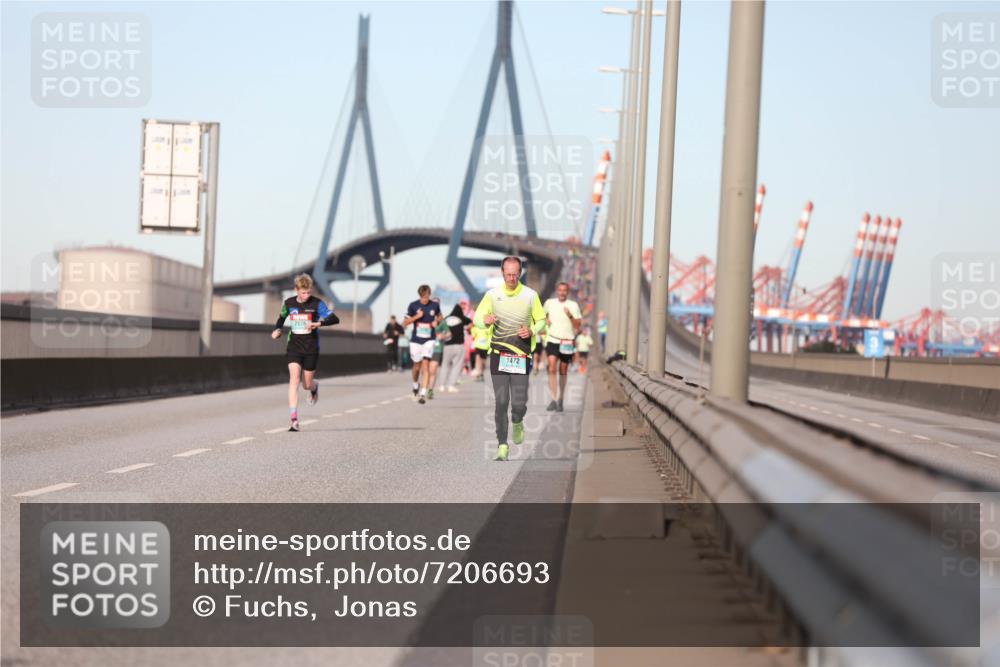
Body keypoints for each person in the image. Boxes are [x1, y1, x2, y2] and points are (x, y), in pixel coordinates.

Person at [474, 256, 546, 462]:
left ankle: (517, 420)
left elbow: (541, 320)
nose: (512, 278)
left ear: (520, 273)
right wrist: (485, 321)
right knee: (501, 401)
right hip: (498, 354)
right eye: (508, 274)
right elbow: (478, 319)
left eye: (515, 274)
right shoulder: (492, 295)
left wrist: (532, 330)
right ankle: (502, 446)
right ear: (502, 273)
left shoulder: (531, 295)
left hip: (521, 354)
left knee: (519, 403)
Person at [270, 273, 340, 431]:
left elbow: (335, 319)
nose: (306, 295)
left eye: (309, 292)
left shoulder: (317, 303)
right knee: (294, 380)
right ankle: (294, 420)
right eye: (303, 292)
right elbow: (281, 318)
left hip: (311, 348)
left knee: (306, 384)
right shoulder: (289, 303)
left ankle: (314, 387)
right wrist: (277, 330)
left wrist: (318, 323)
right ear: (296, 290)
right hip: (294, 347)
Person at [543, 281, 582, 412]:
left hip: (567, 341)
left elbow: (577, 325)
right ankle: (553, 399)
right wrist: (545, 320)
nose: (562, 292)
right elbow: (540, 316)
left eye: (564, 290)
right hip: (552, 339)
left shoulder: (573, 305)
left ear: (567, 292)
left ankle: (561, 399)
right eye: (560, 290)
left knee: (563, 371)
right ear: (556, 291)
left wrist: (570, 315)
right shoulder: (549, 303)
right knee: (552, 367)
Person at [402, 285, 441, 404]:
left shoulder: (434, 305)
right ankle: (415, 385)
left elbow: (440, 317)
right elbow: (404, 323)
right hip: (416, 341)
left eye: (427, 296)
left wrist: (436, 321)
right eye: (423, 297)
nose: (425, 299)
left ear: (429, 295)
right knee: (416, 366)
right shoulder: (413, 305)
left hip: (429, 339)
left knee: (425, 364)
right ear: (419, 296)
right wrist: (416, 317)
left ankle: (423, 393)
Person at [440, 301, 472, 392]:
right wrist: (467, 329)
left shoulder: (446, 318)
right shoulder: (462, 318)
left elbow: (440, 328)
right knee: (456, 366)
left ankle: (442, 385)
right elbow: (470, 322)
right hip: (459, 346)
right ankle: (451, 385)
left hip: (447, 346)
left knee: (444, 365)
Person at [427, 311, 449, 399]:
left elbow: (449, 333)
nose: (441, 317)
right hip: (426, 349)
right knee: (426, 370)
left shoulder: (443, 323)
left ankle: (430, 390)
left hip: (437, 348)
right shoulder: (427, 321)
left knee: (433, 369)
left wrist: (442, 336)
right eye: (439, 316)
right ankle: (424, 387)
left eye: (441, 316)